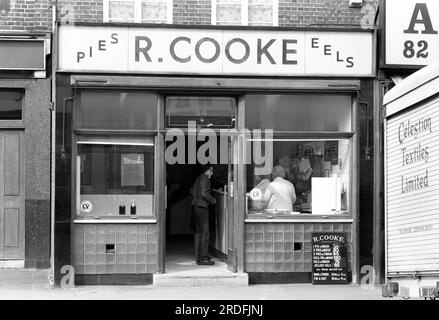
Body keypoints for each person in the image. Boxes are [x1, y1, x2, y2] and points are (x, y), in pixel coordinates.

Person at [190, 164, 216, 265]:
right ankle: (203, 258)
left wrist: (197, 198)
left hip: (196, 206)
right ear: (207, 170)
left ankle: (199, 257)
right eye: (211, 170)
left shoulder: (199, 178)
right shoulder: (205, 179)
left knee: (198, 233)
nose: (212, 173)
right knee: (205, 233)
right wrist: (213, 200)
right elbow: (204, 194)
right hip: (202, 208)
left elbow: (192, 190)